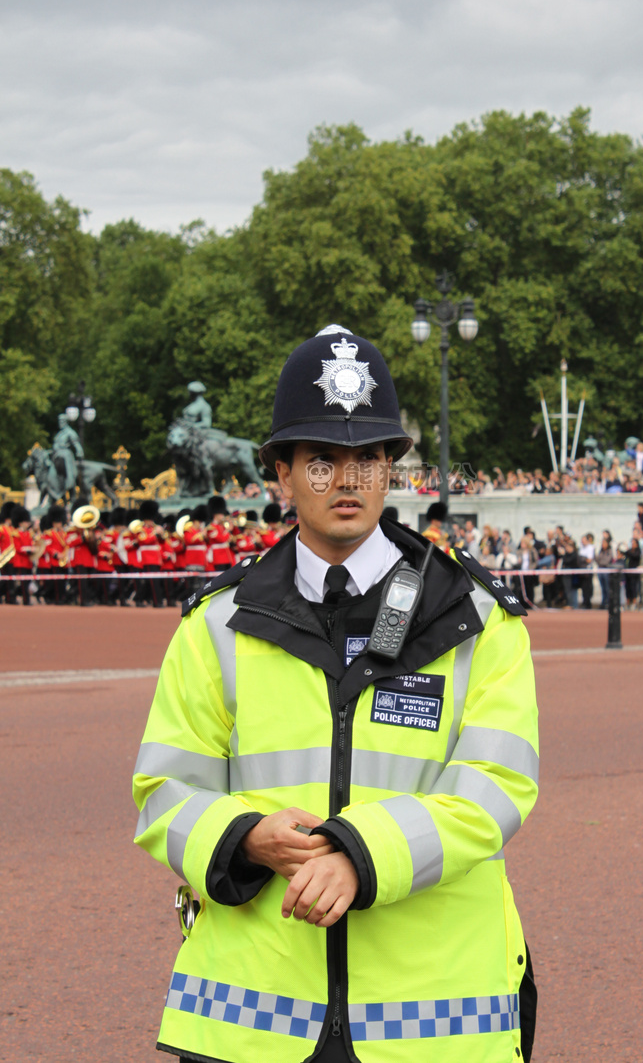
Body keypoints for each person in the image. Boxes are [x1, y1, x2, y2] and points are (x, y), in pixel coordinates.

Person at [132, 326, 540, 1063]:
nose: (346, 481)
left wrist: (359, 854)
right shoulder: (215, 624)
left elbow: (496, 789)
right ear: (281, 476)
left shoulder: (476, 618)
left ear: (390, 471)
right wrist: (244, 837)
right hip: (251, 1017)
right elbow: (165, 791)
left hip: (434, 1022)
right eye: (321, 460)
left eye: (367, 459)